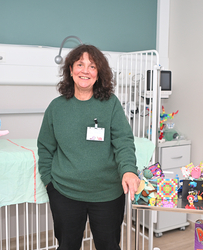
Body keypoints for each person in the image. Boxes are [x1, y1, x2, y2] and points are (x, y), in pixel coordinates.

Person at [37, 44, 140, 250]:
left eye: (92, 66)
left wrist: (128, 170)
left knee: (109, 246)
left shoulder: (110, 104)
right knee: (67, 246)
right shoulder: (56, 108)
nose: (85, 70)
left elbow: (123, 142)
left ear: (98, 73)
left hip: (107, 193)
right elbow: (45, 147)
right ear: (70, 70)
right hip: (65, 192)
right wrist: (49, 183)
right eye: (80, 64)